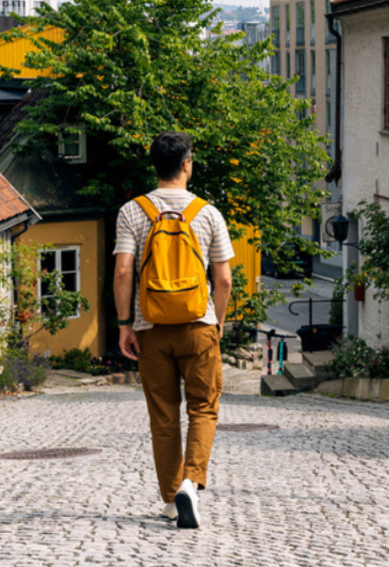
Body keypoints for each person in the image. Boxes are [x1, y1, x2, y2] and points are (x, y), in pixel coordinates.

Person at [114, 132, 234, 529]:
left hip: (151, 328)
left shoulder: (132, 211)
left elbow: (123, 271)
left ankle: (170, 499)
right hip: (198, 325)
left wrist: (124, 325)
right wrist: (216, 320)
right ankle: (190, 482)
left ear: (155, 164)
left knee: (163, 416)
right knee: (203, 408)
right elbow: (224, 279)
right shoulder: (208, 213)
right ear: (186, 164)